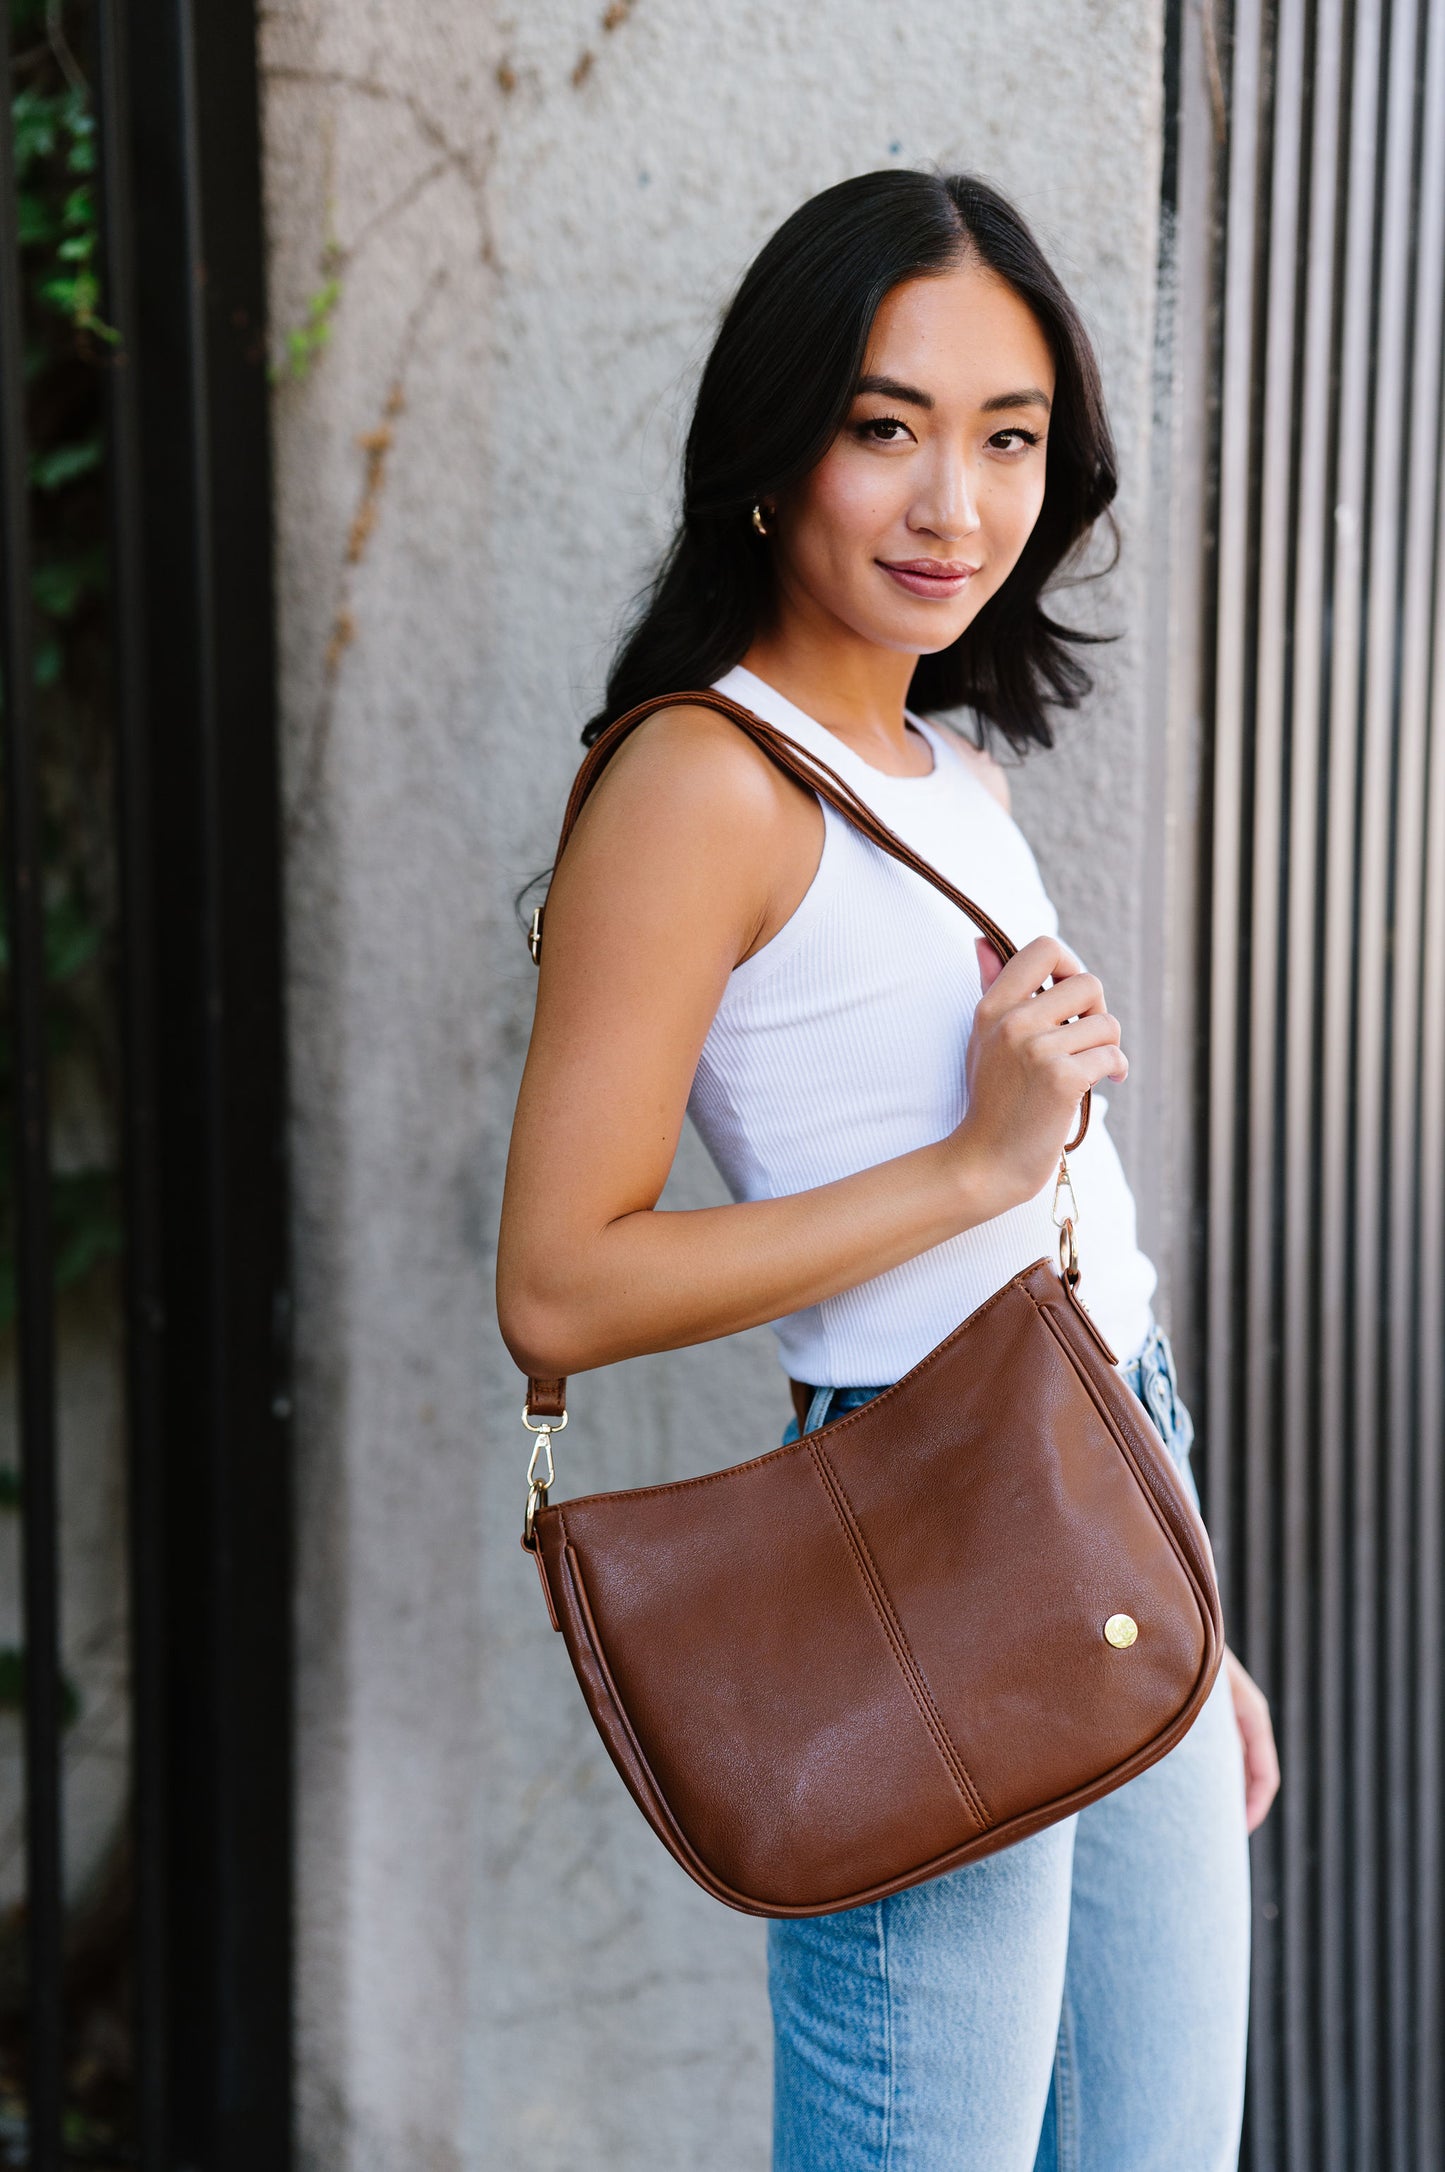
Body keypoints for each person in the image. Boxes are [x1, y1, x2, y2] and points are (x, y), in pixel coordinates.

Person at [496, 169, 1279, 2172]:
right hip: (932, 1534)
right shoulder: (699, 779)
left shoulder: (949, 772)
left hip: (1109, 1493)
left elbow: (1080, 1249)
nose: (953, 505)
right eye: (885, 427)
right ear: (773, 455)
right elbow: (559, 1283)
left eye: (1007, 440)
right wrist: (970, 1166)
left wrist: (1186, 1602)